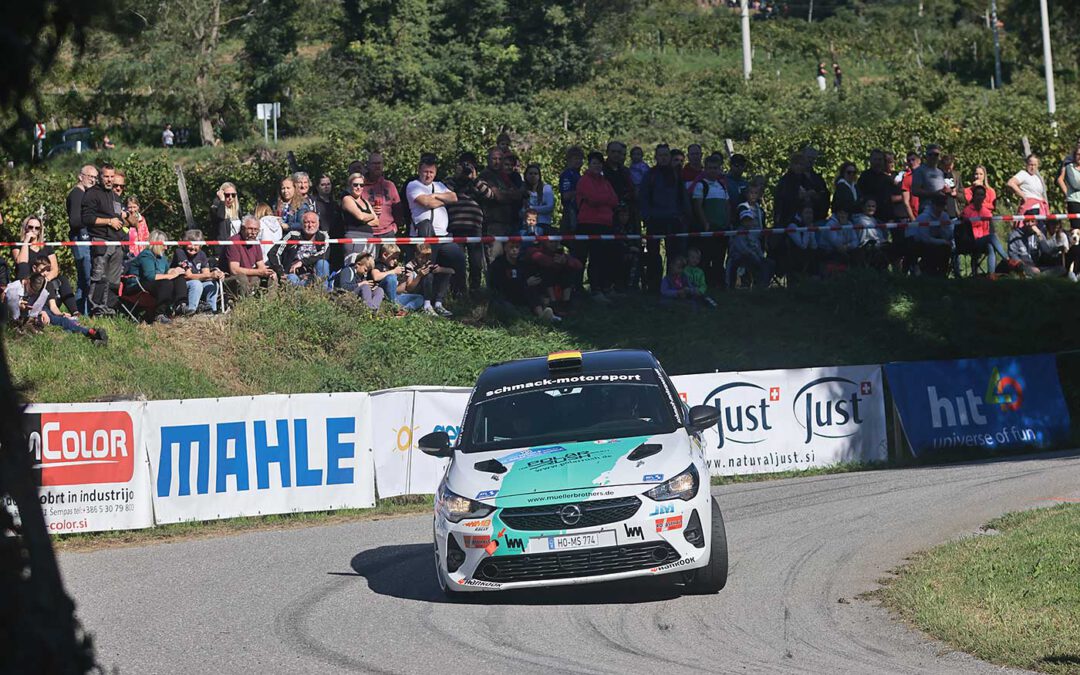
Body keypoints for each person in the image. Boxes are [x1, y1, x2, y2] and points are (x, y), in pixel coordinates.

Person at [406, 154, 465, 307]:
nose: (428, 175)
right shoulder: (413, 185)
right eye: (425, 171)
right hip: (424, 233)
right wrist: (441, 200)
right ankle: (426, 302)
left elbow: (454, 197)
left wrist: (435, 195)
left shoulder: (439, 185)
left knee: (456, 259)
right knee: (427, 267)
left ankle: (445, 300)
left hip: (443, 235)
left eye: (431, 172)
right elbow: (426, 203)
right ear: (419, 171)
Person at [4, 267, 106, 344]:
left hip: (38, 315)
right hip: (16, 317)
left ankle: (91, 332)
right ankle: (19, 328)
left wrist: (51, 313)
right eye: (32, 291)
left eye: (35, 292)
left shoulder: (43, 289)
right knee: (60, 326)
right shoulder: (13, 289)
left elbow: (49, 306)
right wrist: (19, 306)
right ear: (28, 281)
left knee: (63, 320)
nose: (32, 294)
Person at [641, 144, 692, 290]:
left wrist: (684, 216)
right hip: (655, 220)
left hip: (674, 220)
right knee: (653, 255)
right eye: (661, 155)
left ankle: (673, 284)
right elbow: (643, 197)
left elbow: (683, 197)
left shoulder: (676, 175)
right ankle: (654, 285)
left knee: (674, 255)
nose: (663, 158)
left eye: (666, 155)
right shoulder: (650, 175)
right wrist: (647, 217)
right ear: (656, 157)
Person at [81, 163, 126, 316]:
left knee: (114, 280)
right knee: (99, 278)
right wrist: (108, 221)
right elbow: (87, 218)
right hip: (100, 240)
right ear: (100, 177)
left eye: (112, 176)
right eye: (106, 176)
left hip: (117, 243)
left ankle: (110, 309)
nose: (109, 180)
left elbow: (119, 219)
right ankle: (97, 311)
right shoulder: (92, 194)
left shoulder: (115, 196)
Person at [444, 152, 493, 293]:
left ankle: (475, 290)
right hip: (456, 225)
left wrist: (474, 179)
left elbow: (489, 195)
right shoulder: (450, 181)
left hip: (475, 227)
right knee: (457, 261)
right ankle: (458, 292)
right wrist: (457, 177)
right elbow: (446, 193)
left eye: (469, 165)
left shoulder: (478, 182)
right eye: (463, 165)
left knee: (476, 262)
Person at [576, 151, 620, 301]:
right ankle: (595, 289)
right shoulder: (584, 180)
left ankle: (605, 286)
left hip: (605, 223)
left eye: (599, 163)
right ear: (589, 165)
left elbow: (614, 200)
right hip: (589, 223)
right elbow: (593, 198)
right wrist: (605, 198)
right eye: (594, 163)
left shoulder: (605, 181)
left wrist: (603, 199)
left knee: (606, 256)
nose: (597, 166)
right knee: (595, 257)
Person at [14, 216, 78, 315]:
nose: (33, 230)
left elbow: (55, 269)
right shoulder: (18, 245)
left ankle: (75, 312)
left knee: (62, 280)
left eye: (37, 228)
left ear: (40, 230)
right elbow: (21, 263)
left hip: (45, 279)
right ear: (25, 228)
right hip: (28, 282)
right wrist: (26, 242)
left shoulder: (46, 247)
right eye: (30, 227)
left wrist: (45, 280)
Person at [487, 240, 558, 322]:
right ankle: (539, 316)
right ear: (505, 248)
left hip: (521, 295)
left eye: (517, 247)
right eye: (511, 247)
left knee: (532, 287)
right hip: (505, 297)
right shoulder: (498, 264)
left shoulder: (522, 263)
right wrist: (525, 283)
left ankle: (543, 314)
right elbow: (500, 286)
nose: (514, 250)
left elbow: (530, 279)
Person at [690, 153, 732, 287]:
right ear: (705, 169)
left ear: (720, 169)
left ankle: (718, 284)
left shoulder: (722, 185)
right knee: (706, 257)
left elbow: (727, 205)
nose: (713, 171)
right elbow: (698, 206)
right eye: (710, 168)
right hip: (709, 229)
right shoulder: (701, 185)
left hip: (722, 227)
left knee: (720, 257)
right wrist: (705, 224)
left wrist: (728, 221)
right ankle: (705, 284)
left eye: (715, 168)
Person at [127, 229, 188, 324]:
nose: (166, 248)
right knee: (166, 283)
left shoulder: (162, 257)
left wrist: (176, 270)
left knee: (179, 278)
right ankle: (159, 314)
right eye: (164, 245)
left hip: (154, 284)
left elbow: (167, 271)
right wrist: (170, 275)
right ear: (156, 244)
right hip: (138, 285)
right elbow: (150, 276)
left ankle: (181, 305)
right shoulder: (146, 255)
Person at [478, 146, 525, 255]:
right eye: (494, 159)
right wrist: (508, 195)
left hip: (508, 223)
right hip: (493, 225)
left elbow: (518, 195)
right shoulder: (486, 175)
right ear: (488, 160)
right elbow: (498, 196)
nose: (497, 162)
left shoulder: (504, 176)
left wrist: (506, 194)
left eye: (500, 159)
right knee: (495, 258)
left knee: (510, 258)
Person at [728, 179, 773, 288]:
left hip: (756, 244)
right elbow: (746, 221)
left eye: (756, 193)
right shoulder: (743, 207)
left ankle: (761, 287)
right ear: (746, 194)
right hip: (742, 245)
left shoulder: (760, 210)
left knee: (769, 263)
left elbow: (762, 229)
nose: (753, 195)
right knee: (751, 260)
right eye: (751, 193)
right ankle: (743, 284)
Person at [223, 215, 278, 300]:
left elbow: (261, 266)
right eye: (250, 229)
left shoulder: (256, 243)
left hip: (249, 277)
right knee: (242, 278)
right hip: (230, 278)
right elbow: (234, 270)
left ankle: (269, 305)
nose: (254, 232)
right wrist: (259, 272)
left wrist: (268, 272)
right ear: (242, 228)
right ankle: (244, 306)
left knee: (271, 275)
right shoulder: (234, 242)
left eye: (256, 230)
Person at [67, 164, 98, 313]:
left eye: (95, 177)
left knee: (84, 279)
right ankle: (83, 311)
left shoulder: (84, 193)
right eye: (90, 176)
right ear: (81, 176)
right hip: (80, 239)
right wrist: (92, 219)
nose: (93, 180)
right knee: (86, 277)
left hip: (84, 239)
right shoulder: (77, 194)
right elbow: (74, 221)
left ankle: (81, 312)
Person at [270, 211, 330, 286]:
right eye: (306, 222)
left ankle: (323, 294)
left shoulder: (323, 236)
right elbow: (273, 253)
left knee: (323, 263)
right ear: (302, 224)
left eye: (313, 222)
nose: (310, 225)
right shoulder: (292, 235)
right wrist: (280, 272)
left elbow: (325, 254)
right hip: (294, 275)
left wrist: (302, 262)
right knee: (292, 279)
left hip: (314, 275)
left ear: (318, 224)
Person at [524, 238, 584, 311]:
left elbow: (579, 265)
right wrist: (559, 263)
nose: (554, 244)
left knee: (568, 270)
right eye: (551, 242)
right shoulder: (535, 250)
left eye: (556, 241)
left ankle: (566, 302)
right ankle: (553, 303)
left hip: (557, 283)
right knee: (547, 269)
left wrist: (566, 261)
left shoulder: (559, 253)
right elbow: (544, 260)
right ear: (544, 241)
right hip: (539, 284)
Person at [958, 185, 1006, 275]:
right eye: (977, 194)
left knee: (990, 246)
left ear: (984, 197)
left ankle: (991, 274)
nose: (979, 197)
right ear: (974, 196)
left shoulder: (987, 212)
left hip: (984, 240)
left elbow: (991, 229)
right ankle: (1007, 260)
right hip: (970, 241)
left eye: (982, 195)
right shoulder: (967, 211)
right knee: (991, 238)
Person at [172, 230, 223, 314]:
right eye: (190, 244)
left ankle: (211, 311)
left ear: (200, 246)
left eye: (196, 244)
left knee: (213, 284)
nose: (193, 247)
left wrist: (217, 274)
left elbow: (206, 274)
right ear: (184, 243)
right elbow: (188, 276)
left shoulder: (202, 254)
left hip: (197, 283)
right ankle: (191, 310)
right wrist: (210, 275)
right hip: (182, 285)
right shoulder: (180, 252)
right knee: (196, 283)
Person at [910, 194, 954, 277]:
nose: (940, 207)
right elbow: (925, 239)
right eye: (938, 204)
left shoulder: (944, 216)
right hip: (917, 242)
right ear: (933, 204)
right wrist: (943, 241)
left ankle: (942, 274)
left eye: (942, 205)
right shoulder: (924, 217)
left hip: (933, 240)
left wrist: (943, 229)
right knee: (930, 248)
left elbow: (949, 234)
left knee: (946, 248)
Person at [406, 243, 454, 316]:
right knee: (428, 275)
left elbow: (452, 271)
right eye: (422, 257)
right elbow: (409, 288)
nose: (424, 260)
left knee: (444, 274)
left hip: (431, 289)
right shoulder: (410, 266)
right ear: (416, 255)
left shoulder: (429, 263)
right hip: (417, 293)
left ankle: (438, 304)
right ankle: (427, 305)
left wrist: (440, 269)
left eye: (427, 257)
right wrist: (419, 276)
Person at [340, 172, 380, 258]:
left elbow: (376, 222)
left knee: (370, 267)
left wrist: (363, 219)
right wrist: (371, 215)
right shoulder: (347, 199)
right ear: (350, 185)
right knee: (354, 266)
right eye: (355, 185)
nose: (359, 187)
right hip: (354, 237)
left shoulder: (365, 201)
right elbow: (360, 216)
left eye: (361, 185)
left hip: (369, 238)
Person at [364, 153, 401, 238]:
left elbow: (398, 209)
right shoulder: (360, 186)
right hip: (367, 233)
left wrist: (395, 227)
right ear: (368, 165)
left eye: (379, 163)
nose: (377, 166)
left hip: (388, 232)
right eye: (374, 163)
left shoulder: (389, 185)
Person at [1006, 154, 1049, 222]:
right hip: (1029, 209)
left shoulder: (1037, 177)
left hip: (1039, 209)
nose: (1033, 167)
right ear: (1027, 164)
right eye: (1031, 165)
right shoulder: (1023, 174)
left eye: (1035, 165)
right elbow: (1011, 183)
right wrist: (1023, 196)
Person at [785, 204, 820, 278]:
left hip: (808, 256)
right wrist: (807, 229)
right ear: (801, 214)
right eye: (806, 213)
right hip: (794, 257)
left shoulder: (809, 224)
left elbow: (814, 246)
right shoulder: (793, 225)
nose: (809, 216)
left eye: (811, 213)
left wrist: (811, 231)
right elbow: (802, 246)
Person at [370, 244, 407, 309]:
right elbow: (376, 276)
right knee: (391, 277)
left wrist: (404, 279)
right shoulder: (378, 263)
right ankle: (394, 307)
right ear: (385, 255)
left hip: (393, 296)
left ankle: (403, 310)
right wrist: (394, 271)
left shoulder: (392, 267)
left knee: (419, 298)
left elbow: (398, 290)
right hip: (380, 294)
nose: (395, 261)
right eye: (393, 258)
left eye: (396, 258)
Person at [521, 164, 555, 234]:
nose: (533, 176)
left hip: (543, 224)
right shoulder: (522, 190)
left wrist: (531, 208)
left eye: (535, 174)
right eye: (530, 173)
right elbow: (521, 211)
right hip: (525, 225)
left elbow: (549, 207)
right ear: (526, 176)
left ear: (539, 176)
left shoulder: (546, 188)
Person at [559, 146, 584, 235]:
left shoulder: (579, 175)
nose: (579, 161)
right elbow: (566, 195)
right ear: (569, 159)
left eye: (580, 159)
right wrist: (583, 193)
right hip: (571, 210)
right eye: (576, 158)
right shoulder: (568, 174)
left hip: (579, 210)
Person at [1056, 141, 1080, 226]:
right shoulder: (1068, 165)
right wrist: (1067, 193)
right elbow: (1060, 179)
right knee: (1076, 227)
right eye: (1078, 154)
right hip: (1074, 200)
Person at [900, 151, 921, 221]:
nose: (911, 162)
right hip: (915, 216)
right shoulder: (907, 178)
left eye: (913, 159)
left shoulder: (927, 174)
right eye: (909, 160)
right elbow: (906, 202)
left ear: (919, 161)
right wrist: (913, 219)